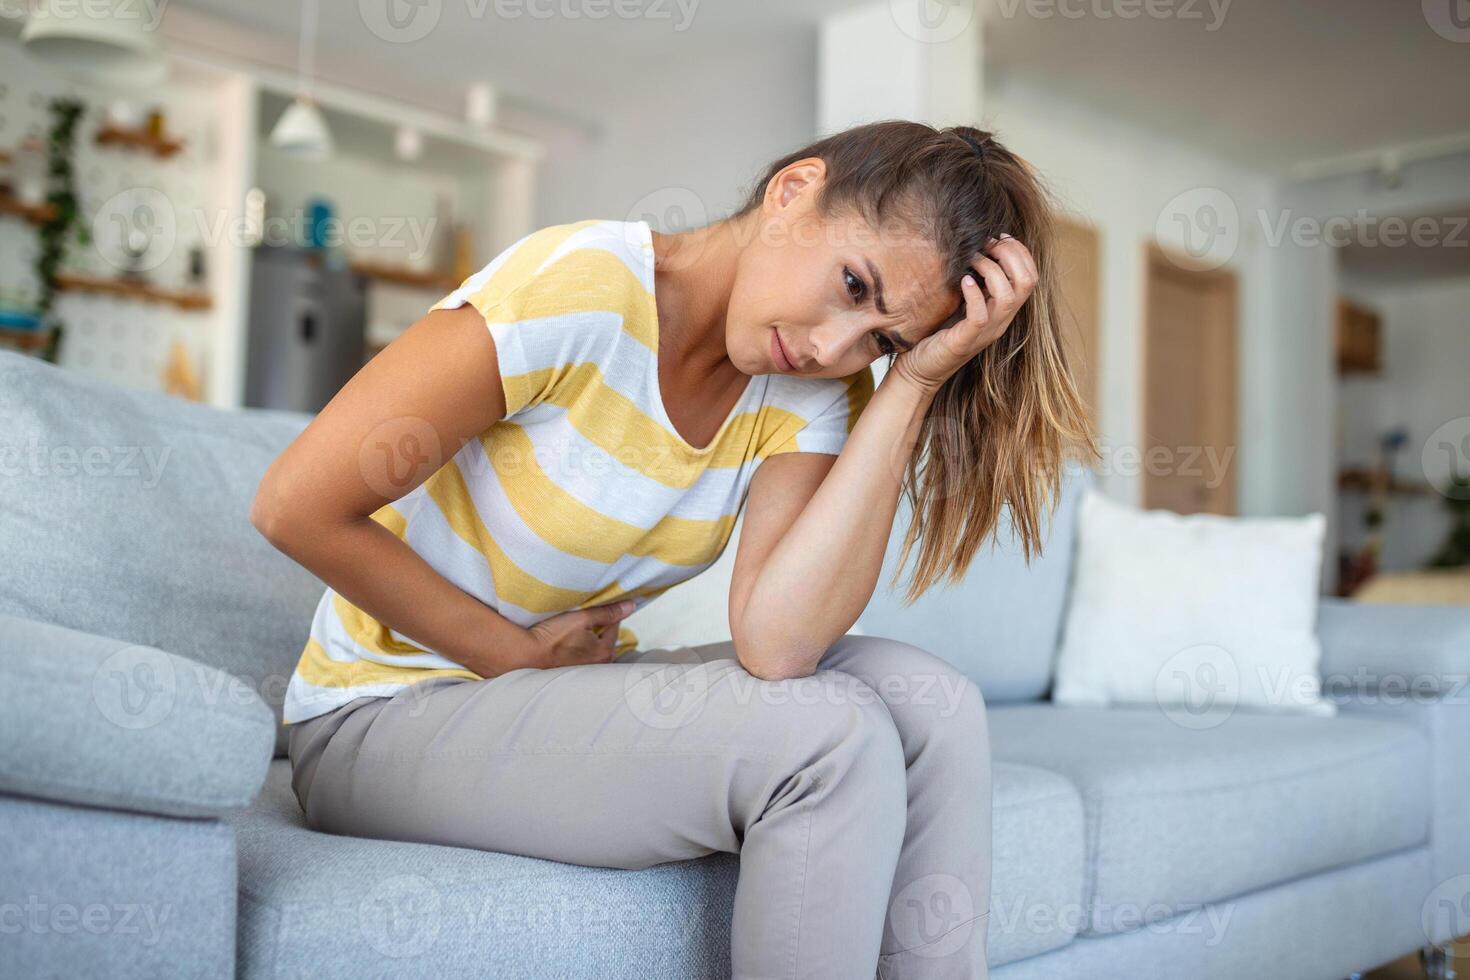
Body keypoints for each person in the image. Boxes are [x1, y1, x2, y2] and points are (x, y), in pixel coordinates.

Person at [252, 118, 1097, 978]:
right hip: (378, 716)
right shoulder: (584, 288)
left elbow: (777, 643)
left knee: (936, 708)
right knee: (827, 738)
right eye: (852, 284)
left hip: (549, 693)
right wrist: (515, 657)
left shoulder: (809, 386)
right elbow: (295, 506)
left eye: (881, 336)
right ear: (794, 190)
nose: (832, 345)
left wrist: (912, 383)